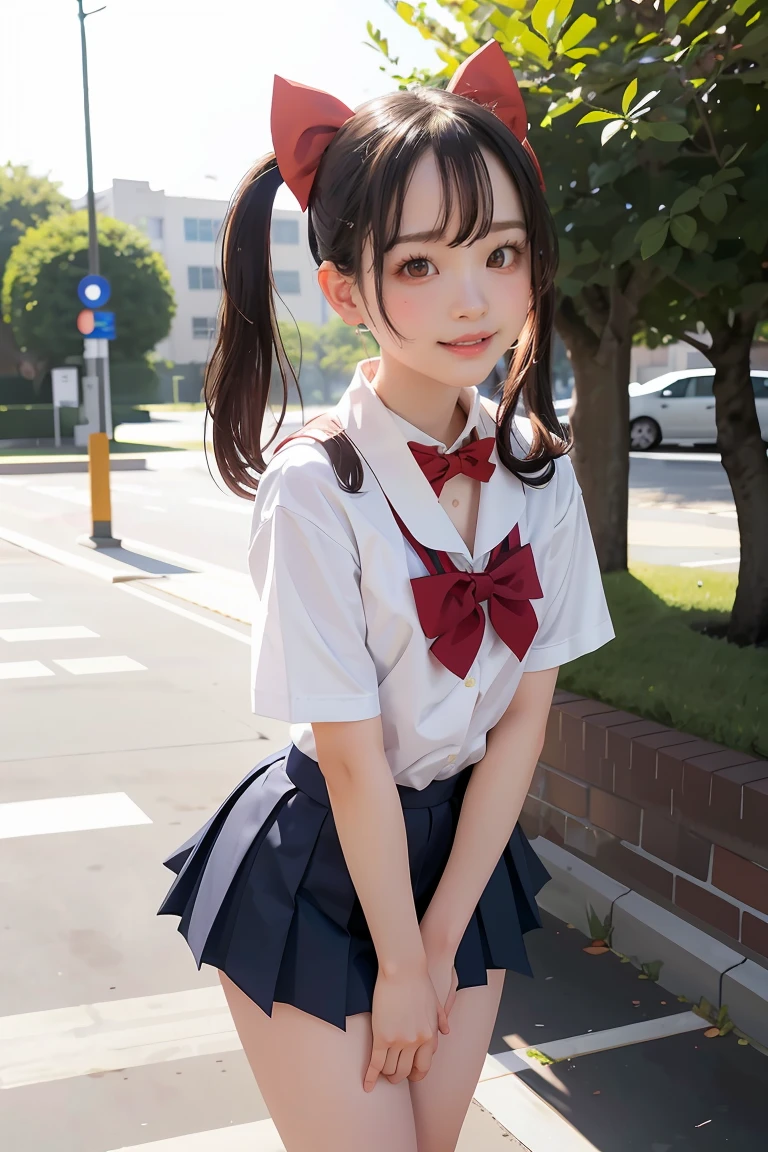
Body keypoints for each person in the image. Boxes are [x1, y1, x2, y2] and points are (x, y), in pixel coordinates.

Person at [158, 40, 614, 1152]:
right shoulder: (317, 485)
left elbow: (525, 718)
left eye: (501, 252)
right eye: (420, 266)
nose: (474, 300)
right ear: (347, 288)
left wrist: (444, 930)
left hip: (464, 846)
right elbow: (352, 753)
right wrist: (400, 961)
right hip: (323, 854)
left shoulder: (538, 472)